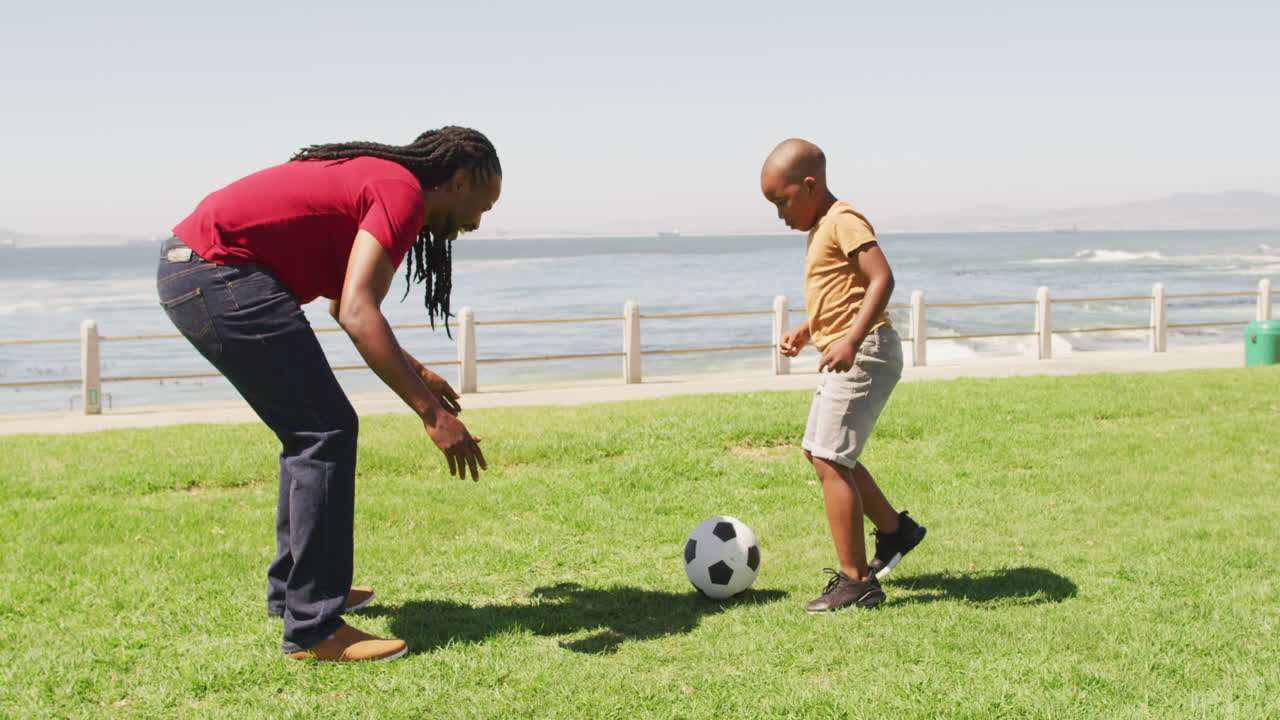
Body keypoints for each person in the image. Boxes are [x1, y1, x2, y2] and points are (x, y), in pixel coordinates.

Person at [157, 126, 500, 661]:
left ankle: (296, 594)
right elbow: (361, 311)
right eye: (483, 204)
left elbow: (345, 305)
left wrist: (418, 373)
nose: (476, 223)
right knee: (326, 431)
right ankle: (314, 629)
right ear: (458, 181)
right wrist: (431, 414)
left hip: (200, 270)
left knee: (310, 432)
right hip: (220, 272)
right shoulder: (403, 192)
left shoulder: (382, 181)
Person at [760, 138, 926, 612]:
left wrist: (850, 341)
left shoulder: (844, 221)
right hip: (854, 348)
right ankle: (896, 531)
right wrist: (809, 330)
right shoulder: (822, 228)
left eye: (782, 202)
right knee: (822, 452)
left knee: (831, 459)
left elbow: (882, 278)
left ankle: (858, 582)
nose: (780, 215)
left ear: (810, 186)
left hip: (867, 349)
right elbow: (841, 295)